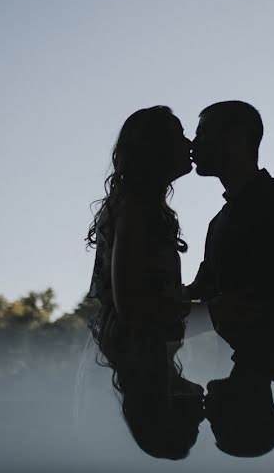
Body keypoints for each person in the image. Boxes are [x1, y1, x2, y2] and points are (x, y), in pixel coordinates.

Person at [77, 105, 203, 459]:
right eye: (179, 136)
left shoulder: (140, 207)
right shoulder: (136, 208)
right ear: (156, 148)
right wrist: (214, 310)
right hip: (139, 354)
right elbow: (131, 304)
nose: (189, 143)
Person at [184, 100, 274, 383]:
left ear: (237, 138)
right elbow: (204, 294)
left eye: (203, 133)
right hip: (235, 378)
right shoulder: (217, 224)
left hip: (272, 378)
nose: (194, 144)